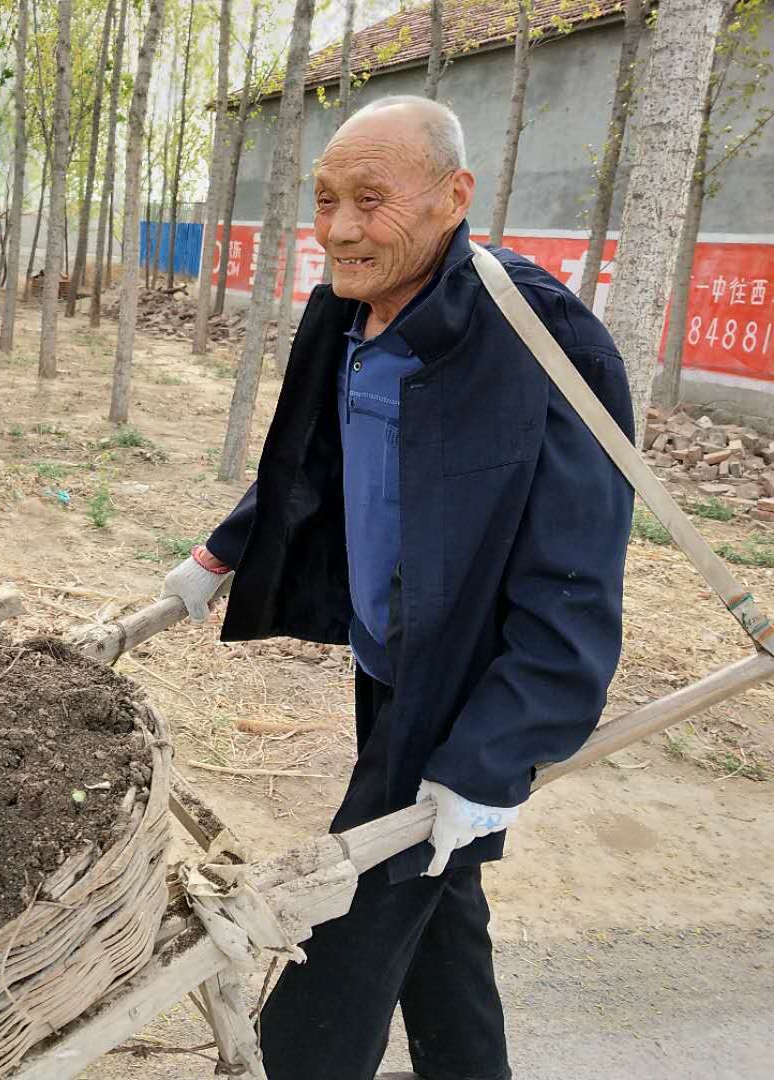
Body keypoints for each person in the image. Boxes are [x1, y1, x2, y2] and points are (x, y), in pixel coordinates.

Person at [160, 96, 634, 1080]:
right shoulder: (348, 305)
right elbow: (311, 463)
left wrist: (492, 758)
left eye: (371, 200)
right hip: (389, 667)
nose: (338, 228)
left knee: (351, 916)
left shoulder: (539, 339)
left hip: (468, 689)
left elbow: (575, 579)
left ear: (455, 197)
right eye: (325, 199)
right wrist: (218, 557)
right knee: (441, 905)